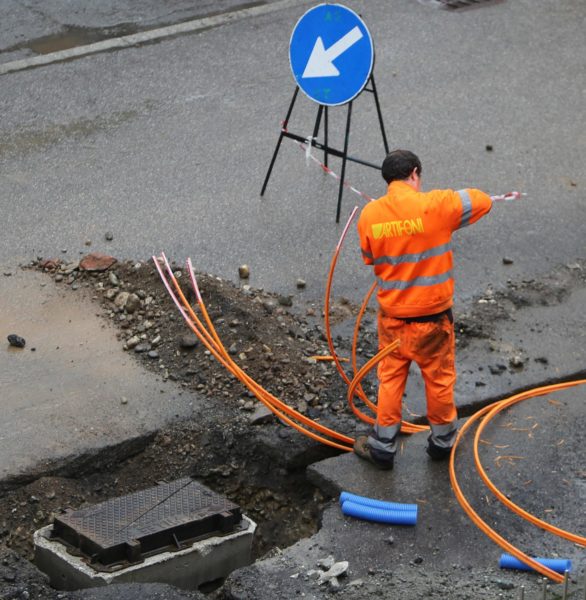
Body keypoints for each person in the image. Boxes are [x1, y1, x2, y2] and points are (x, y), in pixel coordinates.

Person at [354, 149, 493, 469]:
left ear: (388, 180)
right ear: (414, 173)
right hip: (433, 321)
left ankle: (382, 445)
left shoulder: (370, 215)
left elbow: (369, 256)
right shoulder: (438, 205)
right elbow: (483, 200)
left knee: (389, 378)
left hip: (393, 319)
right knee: (439, 379)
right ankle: (442, 443)